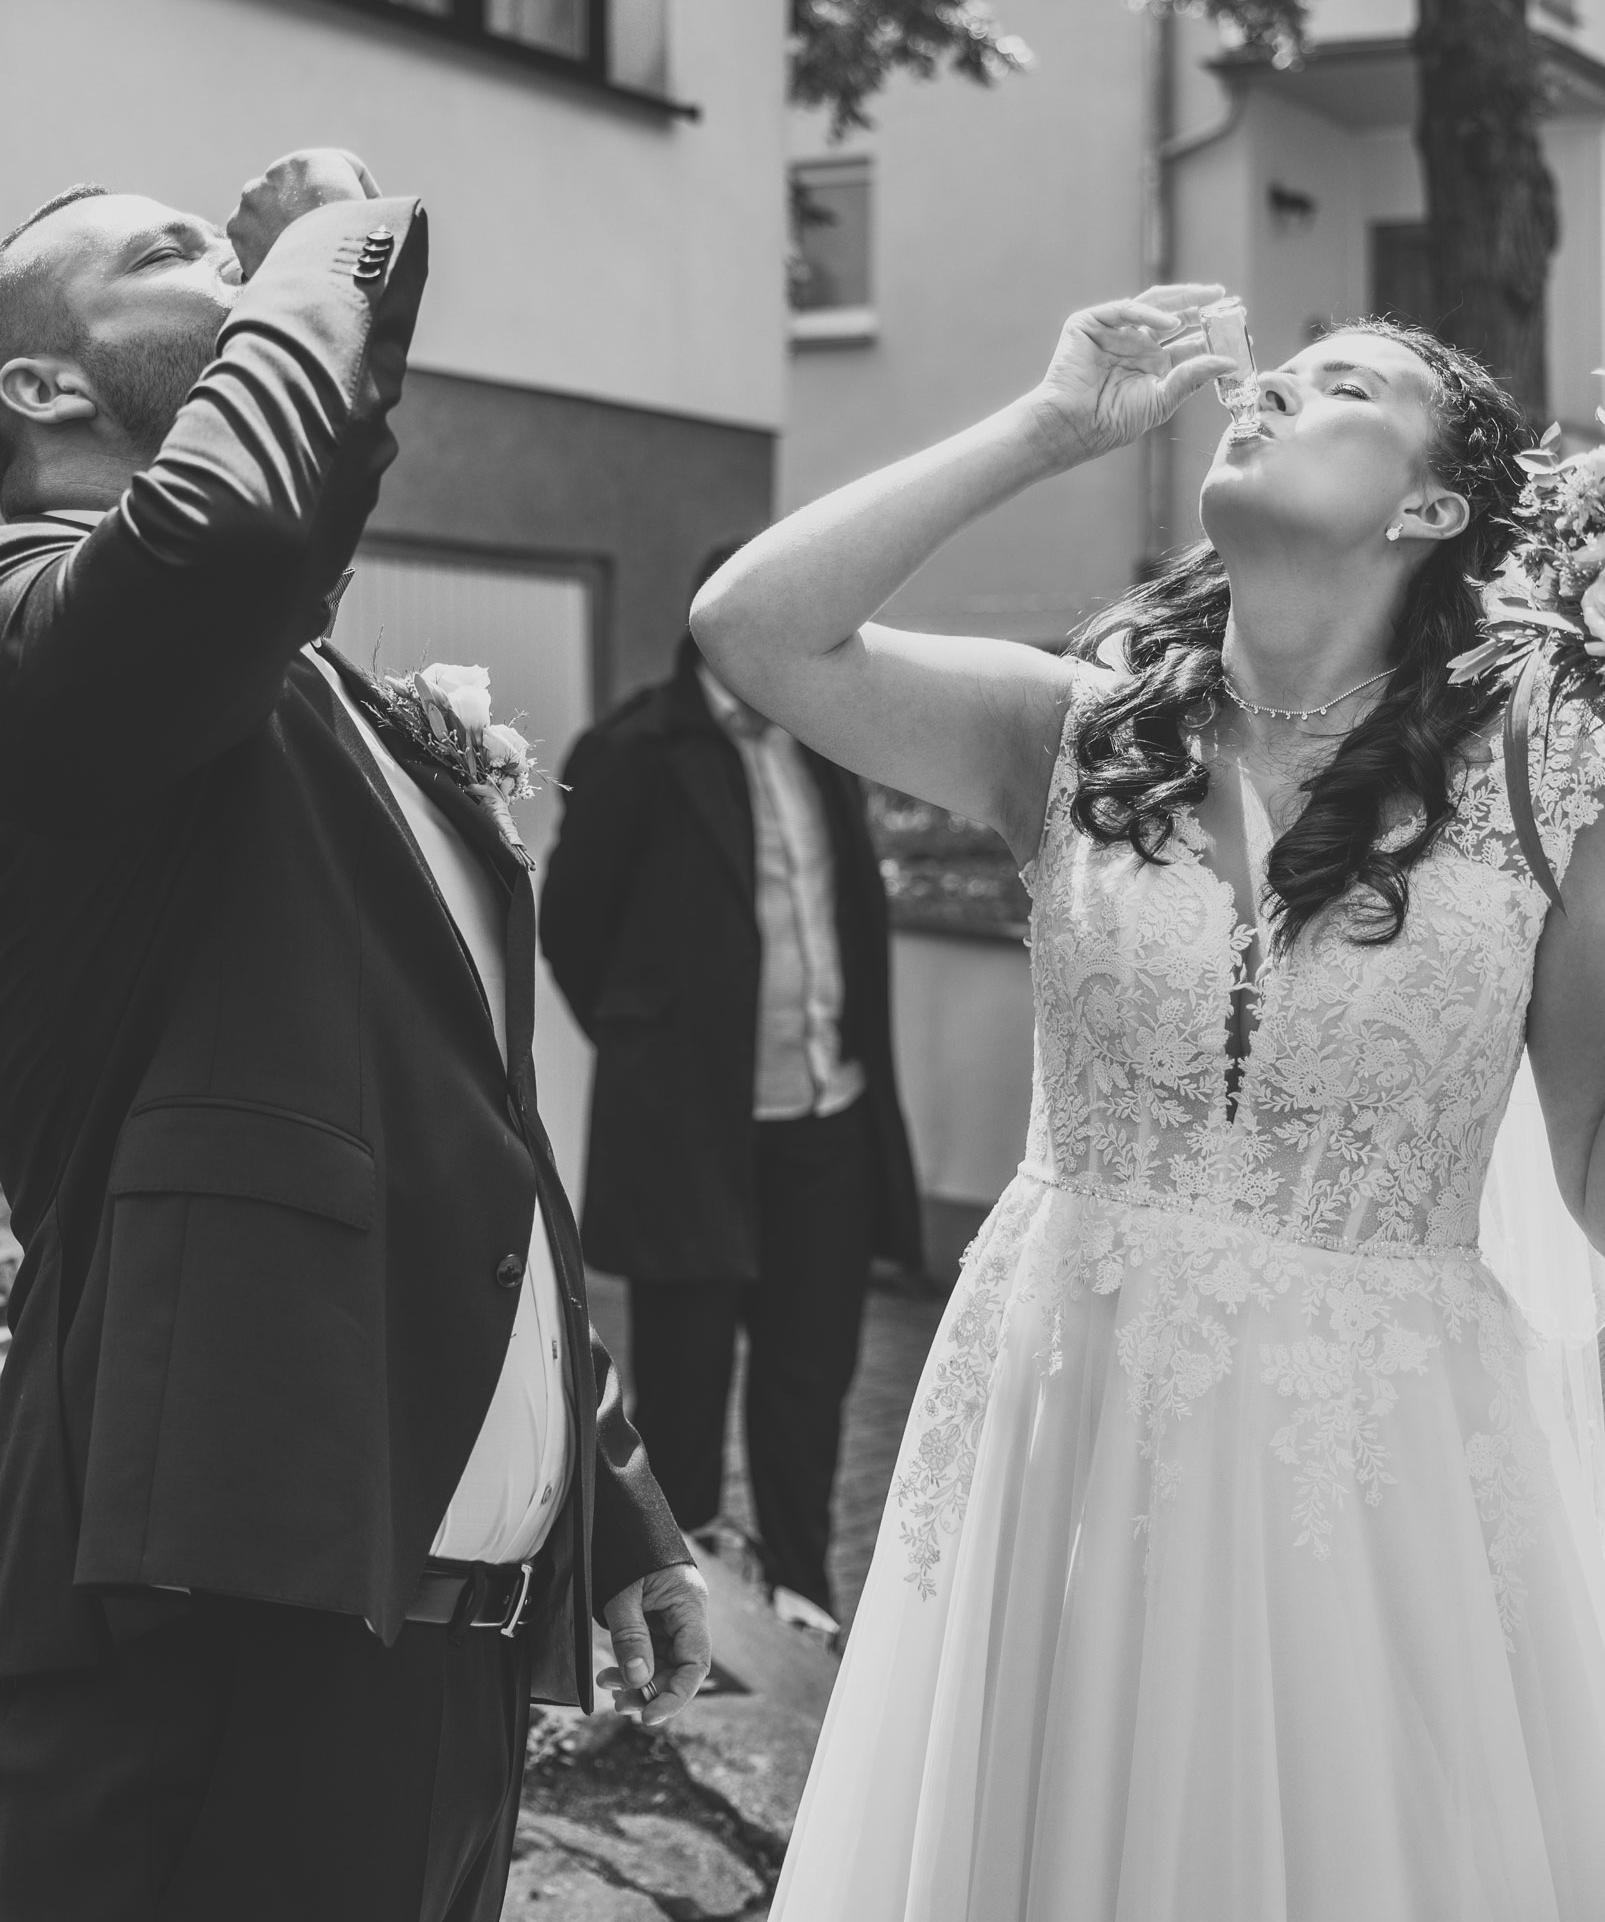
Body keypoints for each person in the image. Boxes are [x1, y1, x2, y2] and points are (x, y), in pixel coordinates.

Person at [691, 285, 1605, 1921]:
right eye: (1280, 366)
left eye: (1340, 387)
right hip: (1072, 1417)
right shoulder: (1069, 729)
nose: (1268, 388)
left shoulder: (1547, 778)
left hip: (1372, 1474)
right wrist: (1047, 428)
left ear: (1434, 504)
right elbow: (754, 627)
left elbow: (1600, 1148)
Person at [0, 152, 708, 1922]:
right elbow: (233, 529)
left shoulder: (297, 691)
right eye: (169, 257)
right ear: (37, 385)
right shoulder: (37, 617)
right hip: (207, 1589)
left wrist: (610, 1492)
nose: (233, 273)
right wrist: (323, 248)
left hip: (423, 1621)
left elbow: (456, 1109)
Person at [540, 555, 922, 1631]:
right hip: (692, 1137)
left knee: (808, 1396)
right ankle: (692, 1639)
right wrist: (654, 1047)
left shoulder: (826, 742)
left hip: (825, 1126)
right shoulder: (630, 751)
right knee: (685, 1403)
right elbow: (571, 929)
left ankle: (806, 1605)